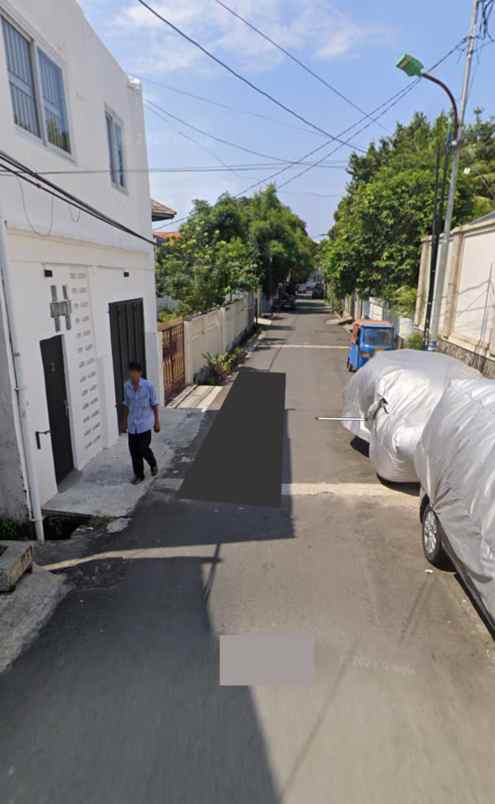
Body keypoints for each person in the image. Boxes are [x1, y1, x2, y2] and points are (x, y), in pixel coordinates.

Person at [123, 361, 160, 484]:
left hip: (145, 423)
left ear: (140, 373)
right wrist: (124, 422)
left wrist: (157, 422)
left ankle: (152, 463)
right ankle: (139, 475)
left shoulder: (148, 386)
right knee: (134, 451)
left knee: (143, 448)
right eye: (131, 373)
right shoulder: (127, 386)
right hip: (132, 424)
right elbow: (126, 405)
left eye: (135, 373)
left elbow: (154, 404)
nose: (132, 376)